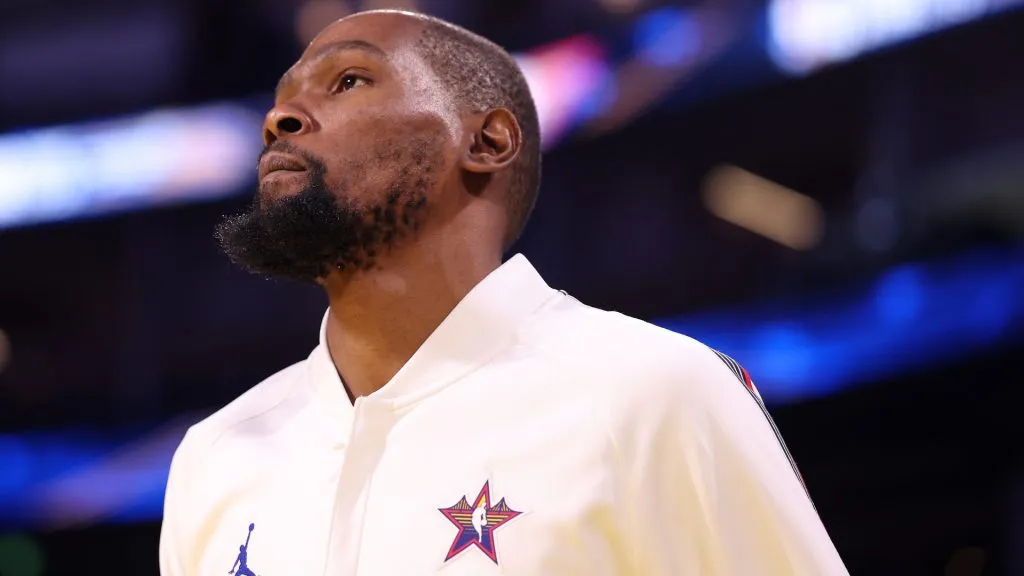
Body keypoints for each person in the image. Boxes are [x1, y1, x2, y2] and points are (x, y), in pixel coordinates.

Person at [159, 8, 848, 575]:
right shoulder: (215, 456)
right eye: (280, 102)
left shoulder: (656, 390)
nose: (280, 119)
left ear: (487, 140)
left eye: (347, 80)